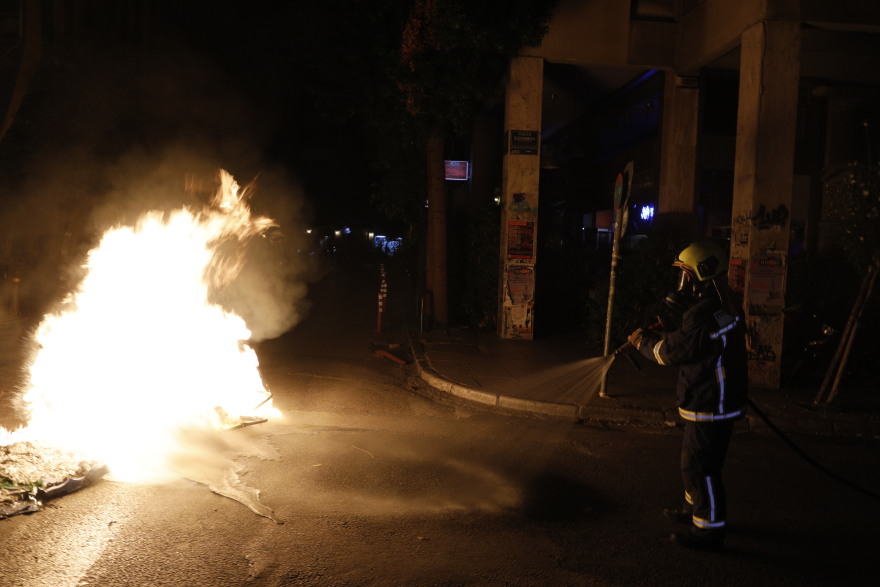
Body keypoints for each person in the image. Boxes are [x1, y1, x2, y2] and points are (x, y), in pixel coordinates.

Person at [627, 241, 748, 551]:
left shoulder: (703, 315)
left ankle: (708, 531)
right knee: (702, 463)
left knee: (698, 467)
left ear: (701, 276)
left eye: (685, 276)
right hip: (721, 398)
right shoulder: (723, 305)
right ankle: (696, 510)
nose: (681, 284)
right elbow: (699, 343)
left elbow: (670, 353)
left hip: (709, 402)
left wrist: (644, 342)